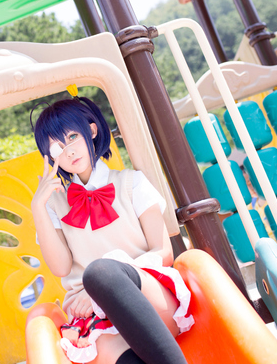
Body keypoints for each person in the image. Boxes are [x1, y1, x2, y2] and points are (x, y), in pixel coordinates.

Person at [31, 94, 193, 364]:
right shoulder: (54, 205)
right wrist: (38, 207)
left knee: (100, 272)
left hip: (148, 295)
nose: (69, 151)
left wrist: (101, 288)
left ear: (92, 130)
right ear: (50, 156)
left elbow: (163, 252)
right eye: (57, 147)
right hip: (92, 317)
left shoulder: (132, 183)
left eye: (72, 137)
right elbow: (60, 267)